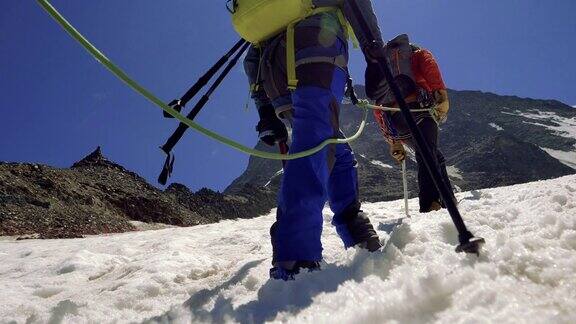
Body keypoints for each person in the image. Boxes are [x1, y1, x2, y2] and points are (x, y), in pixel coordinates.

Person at [241, 0, 388, 280]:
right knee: (315, 142)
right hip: (315, 45)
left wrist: (265, 110)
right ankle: (296, 258)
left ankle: (353, 228)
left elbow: (251, 48)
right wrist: (375, 54)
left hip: (271, 68)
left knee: (336, 151)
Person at [366, 34, 454, 213]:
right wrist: (441, 95)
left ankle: (448, 200)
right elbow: (430, 67)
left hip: (397, 121)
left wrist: (393, 141)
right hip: (418, 111)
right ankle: (430, 204)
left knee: (434, 156)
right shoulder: (417, 54)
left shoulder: (384, 71)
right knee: (427, 154)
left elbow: (377, 105)